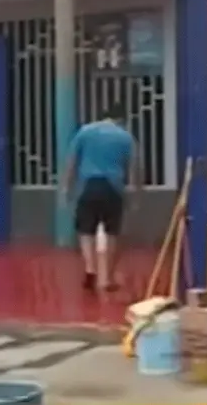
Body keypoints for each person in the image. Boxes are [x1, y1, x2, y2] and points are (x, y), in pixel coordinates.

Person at [62, 104, 141, 292]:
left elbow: (72, 161)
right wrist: (135, 194)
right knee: (112, 232)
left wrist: (66, 188)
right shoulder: (125, 137)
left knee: (86, 230)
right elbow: (133, 168)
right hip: (113, 188)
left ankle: (90, 269)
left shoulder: (84, 132)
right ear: (121, 119)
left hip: (88, 186)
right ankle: (107, 278)